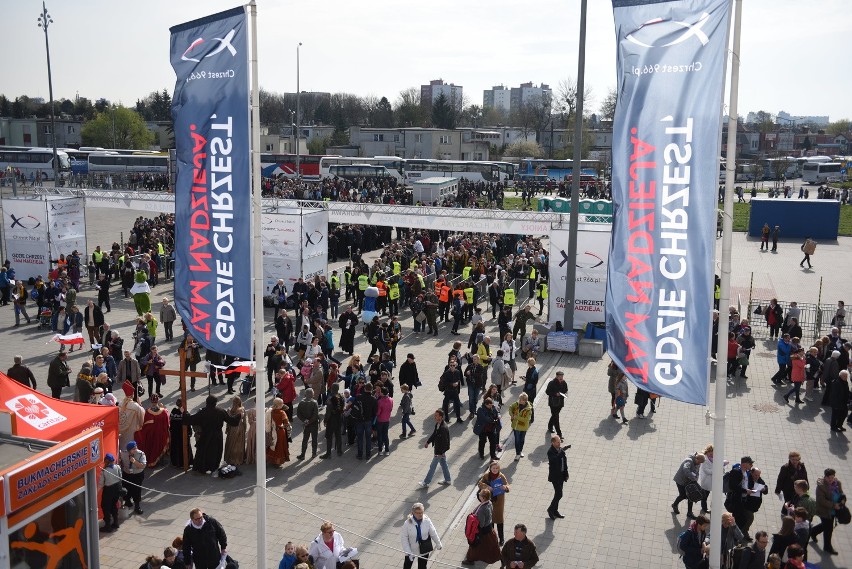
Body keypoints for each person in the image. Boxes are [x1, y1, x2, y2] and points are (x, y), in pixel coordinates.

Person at [186, 395, 243, 475]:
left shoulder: (203, 412)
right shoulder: (221, 411)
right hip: (217, 436)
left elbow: (191, 420)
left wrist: (184, 413)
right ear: (215, 403)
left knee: (204, 451)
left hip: (205, 435)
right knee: (215, 452)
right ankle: (213, 467)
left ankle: (203, 467)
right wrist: (239, 415)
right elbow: (232, 421)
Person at [461, 488, 501, 566]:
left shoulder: (482, 510)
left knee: (474, 546)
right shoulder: (489, 503)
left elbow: (481, 524)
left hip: (483, 532)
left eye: (480, 495)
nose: (479, 495)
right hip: (489, 529)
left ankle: (470, 560)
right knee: (492, 544)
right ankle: (498, 556)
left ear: (483, 498)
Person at [810, 468, 843, 555]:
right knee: (829, 529)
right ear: (825, 477)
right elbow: (821, 500)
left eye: (832, 477)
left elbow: (841, 493)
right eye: (829, 478)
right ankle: (827, 547)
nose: (831, 480)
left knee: (826, 526)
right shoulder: (821, 486)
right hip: (824, 511)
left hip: (834, 510)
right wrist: (833, 505)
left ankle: (813, 531)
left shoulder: (837, 483)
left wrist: (842, 500)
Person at [400, 502, 443, 569]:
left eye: (422, 512)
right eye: (418, 513)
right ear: (413, 513)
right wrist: (408, 551)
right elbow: (404, 538)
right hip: (411, 549)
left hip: (424, 548)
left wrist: (438, 543)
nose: (420, 514)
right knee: (407, 566)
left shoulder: (427, 520)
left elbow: (433, 532)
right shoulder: (407, 523)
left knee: (422, 567)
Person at [478, 461, 510, 545]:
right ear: (490, 468)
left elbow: (507, 485)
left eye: (497, 468)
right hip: (489, 501)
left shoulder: (501, 476)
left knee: (499, 521)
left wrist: (505, 487)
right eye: (493, 468)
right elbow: (480, 484)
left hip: (499, 502)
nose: (495, 470)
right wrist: (487, 487)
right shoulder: (486, 476)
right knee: (490, 521)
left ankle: (501, 538)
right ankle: (491, 538)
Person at [418, 409, 452, 488]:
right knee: (443, 464)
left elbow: (445, 442)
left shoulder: (443, 428)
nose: (435, 417)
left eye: (436, 415)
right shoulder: (438, 424)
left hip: (439, 451)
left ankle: (426, 482)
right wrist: (428, 442)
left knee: (432, 466)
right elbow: (434, 434)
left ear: (441, 417)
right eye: (435, 415)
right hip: (439, 450)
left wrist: (440, 453)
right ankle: (448, 480)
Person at [134, 394, 170, 468]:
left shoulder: (147, 411)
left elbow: (144, 424)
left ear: (151, 401)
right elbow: (168, 424)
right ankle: (160, 461)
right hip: (161, 433)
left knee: (152, 446)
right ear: (158, 400)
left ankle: (151, 460)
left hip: (151, 434)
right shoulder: (164, 412)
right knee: (160, 446)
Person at [672, 452, 706, 519]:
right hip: (681, 481)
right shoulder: (689, 461)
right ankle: (674, 505)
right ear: (697, 458)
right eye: (699, 462)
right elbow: (686, 469)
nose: (700, 464)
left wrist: (695, 479)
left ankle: (689, 513)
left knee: (691, 495)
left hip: (690, 481)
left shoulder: (698, 462)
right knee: (683, 495)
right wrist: (692, 477)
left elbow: (697, 472)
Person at [120, 441, 147, 515]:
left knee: (137, 490)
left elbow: (143, 466)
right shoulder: (123, 453)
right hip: (127, 474)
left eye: (136, 448)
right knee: (126, 489)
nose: (136, 450)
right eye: (133, 449)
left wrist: (134, 462)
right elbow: (120, 460)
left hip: (137, 475)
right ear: (129, 450)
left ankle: (137, 506)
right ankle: (127, 501)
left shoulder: (141, 454)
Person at [99, 453, 123, 533]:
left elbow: (101, 483)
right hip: (116, 488)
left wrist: (96, 492)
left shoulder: (104, 471)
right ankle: (116, 523)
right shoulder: (118, 467)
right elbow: (120, 478)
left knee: (106, 507)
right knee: (114, 505)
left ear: (106, 461)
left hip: (108, 490)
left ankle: (108, 526)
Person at [546, 434, 569, 519]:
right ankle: (550, 509)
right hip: (555, 477)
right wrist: (562, 450)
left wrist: (566, 473)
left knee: (558, 494)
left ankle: (555, 511)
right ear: (553, 443)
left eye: (560, 442)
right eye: (558, 442)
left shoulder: (560, 450)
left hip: (561, 476)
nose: (559, 443)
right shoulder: (550, 452)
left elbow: (564, 462)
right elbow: (555, 460)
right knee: (559, 494)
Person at [266, 397, 291, 466]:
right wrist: (283, 426)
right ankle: (278, 462)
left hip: (272, 430)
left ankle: (272, 460)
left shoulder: (270, 411)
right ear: (280, 405)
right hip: (280, 432)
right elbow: (286, 423)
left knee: (273, 445)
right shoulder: (282, 412)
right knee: (280, 446)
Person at [509, 392, 534, 460]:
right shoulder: (516, 404)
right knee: (517, 440)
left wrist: (516, 417)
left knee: (521, 440)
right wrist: (511, 414)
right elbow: (510, 407)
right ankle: (517, 454)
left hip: (523, 427)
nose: (519, 401)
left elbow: (526, 420)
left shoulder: (529, 409)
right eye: (519, 399)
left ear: (525, 401)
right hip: (516, 427)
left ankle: (520, 451)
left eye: (521, 400)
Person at [169, 398, 193, 469]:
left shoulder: (173, 411)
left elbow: (171, 421)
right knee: (184, 448)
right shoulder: (185, 413)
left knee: (176, 448)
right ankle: (185, 463)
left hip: (175, 434)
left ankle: (176, 462)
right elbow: (188, 423)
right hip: (183, 434)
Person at [223, 396, 247, 465]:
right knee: (239, 444)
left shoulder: (229, 410)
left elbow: (228, 421)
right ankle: (238, 459)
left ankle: (230, 459)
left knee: (231, 443)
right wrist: (245, 428)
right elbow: (244, 421)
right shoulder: (242, 409)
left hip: (231, 428)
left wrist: (227, 429)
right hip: (240, 427)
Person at [545, 371, 568, 441]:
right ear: (557, 376)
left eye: (562, 377)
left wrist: (564, 393)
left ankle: (550, 426)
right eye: (560, 377)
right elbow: (547, 392)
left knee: (555, 415)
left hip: (560, 403)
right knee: (556, 418)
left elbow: (566, 390)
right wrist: (555, 394)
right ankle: (559, 434)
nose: (561, 378)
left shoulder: (564, 382)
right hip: (553, 403)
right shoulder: (552, 383)